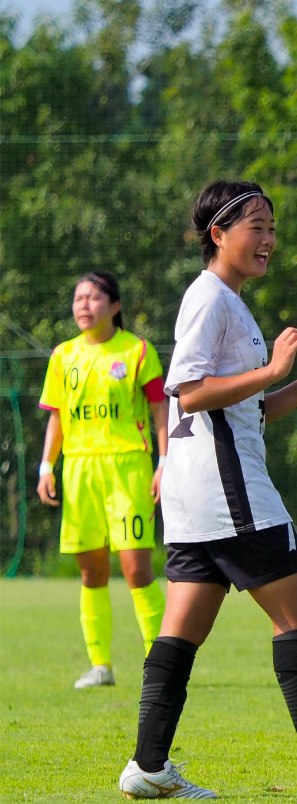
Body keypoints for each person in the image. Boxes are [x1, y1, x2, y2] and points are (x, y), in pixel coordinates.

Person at [118, 180, 297, 801]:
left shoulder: (226, 300)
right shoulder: (211, 298)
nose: (268, 240)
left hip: (195, 496)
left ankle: (148, 765)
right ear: (218, 234)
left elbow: (239, 412)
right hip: (228, 492)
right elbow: (186, 391)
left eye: (272, 228)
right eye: (255, 226)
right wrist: (272, 370)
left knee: (182, 626)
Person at [37, 272, 169, 688]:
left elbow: (160, 408)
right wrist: (46, 465)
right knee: (91, 572)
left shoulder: (136, 350)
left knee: (136, 568)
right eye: (78, 297)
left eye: (93, 297)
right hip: (78, 469)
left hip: (128, 465)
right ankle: (101, 666)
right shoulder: (63, 356)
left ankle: (160, 662)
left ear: (114, 305)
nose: (83, 304)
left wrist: (166, 461)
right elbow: (57, 416)